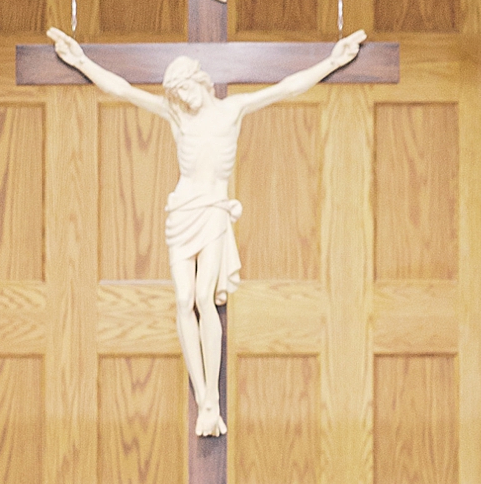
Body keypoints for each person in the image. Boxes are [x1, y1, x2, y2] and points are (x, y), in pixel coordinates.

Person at [47, 28, 366, 438]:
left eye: (186, 88)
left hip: (214, 210)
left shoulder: (232, 110)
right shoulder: (177, 117)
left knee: (203, 297)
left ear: (200, 80)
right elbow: (123, 90)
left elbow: (286, 88)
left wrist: (333, 62)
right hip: (182, 211)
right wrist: (81, 62)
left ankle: (212, 398)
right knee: (183, 299)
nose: (184, 97)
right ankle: (202, 397)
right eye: (177, 92)